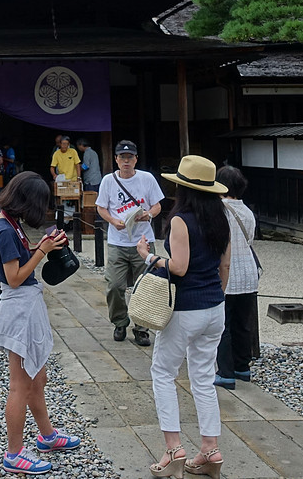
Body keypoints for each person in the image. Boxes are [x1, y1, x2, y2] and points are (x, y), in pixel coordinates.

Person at [136, 155, 230, 479]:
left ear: (183, 188)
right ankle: (210, 449)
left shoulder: (181, 220)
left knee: (162, 371)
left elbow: (179, 267)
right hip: (215, 307)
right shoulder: (222, 217)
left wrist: (149, 256)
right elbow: (225, 266)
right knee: (203, 377)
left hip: (186, 308)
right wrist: (216, 296)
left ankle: (174, 448)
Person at [0, 171, 83, 475]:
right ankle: (14, 453)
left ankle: (47, 436)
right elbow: (15, 278)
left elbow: (18, 263)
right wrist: (42, 251)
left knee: (37, 379)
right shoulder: (5, 229)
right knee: (20, 385)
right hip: (19, 310)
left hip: (27, 307)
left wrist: (43, 245)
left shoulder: (10, 222)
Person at [96, 139, 163, 346]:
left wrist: (149, 215)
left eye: (130, 157)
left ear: (136, 159)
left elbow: (157, 205)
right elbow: (101, 207)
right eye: (122, 157)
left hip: (143, 240)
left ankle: (142, 328)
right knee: (115, 285)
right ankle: (119, 322)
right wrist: (112, 221)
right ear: (116, 160)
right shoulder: (108, 180)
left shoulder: (147, 179)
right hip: (118, 241)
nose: (126, 161)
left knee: (145, 285)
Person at [214, 165, 259, 389]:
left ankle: (225, 371)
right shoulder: (247, 212)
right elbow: (250, 240)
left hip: (228, 274)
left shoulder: (218, 210)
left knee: (224, 326)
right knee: (243, 324)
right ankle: (243, 366)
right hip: (248, 274)